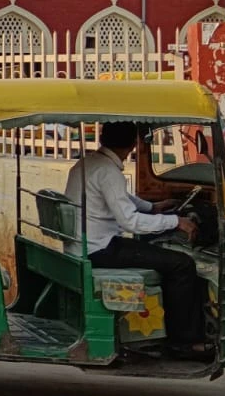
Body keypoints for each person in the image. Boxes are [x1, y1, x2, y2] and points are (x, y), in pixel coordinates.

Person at [65, 121, 205, 356]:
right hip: (100, 250)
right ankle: (182, 342)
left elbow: (120, 198)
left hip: (85, 245)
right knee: (182, 264)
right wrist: (176, 221)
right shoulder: (109, 172)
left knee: (156, 252)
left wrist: (152, 207)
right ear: (133, 144)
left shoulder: (87, 163)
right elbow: (129, 222)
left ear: (102, 138)